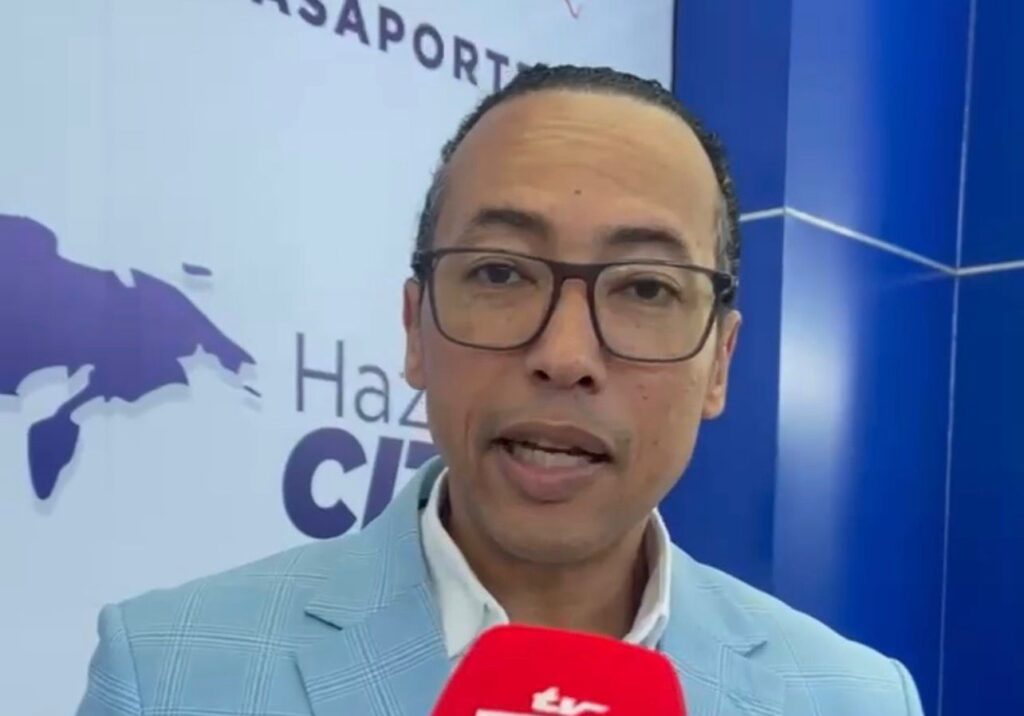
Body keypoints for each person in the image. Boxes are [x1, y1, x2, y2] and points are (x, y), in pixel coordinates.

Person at [77, 64, 924, 716]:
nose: (564, 354)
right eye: (500, 272)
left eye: (645, 287)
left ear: (721, 363)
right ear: (414, 328)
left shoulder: (852, 699)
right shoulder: (167, 670)